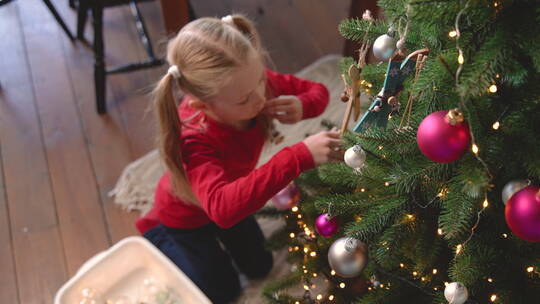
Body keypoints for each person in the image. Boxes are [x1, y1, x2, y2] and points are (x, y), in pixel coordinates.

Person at [136, 14, 342, 303]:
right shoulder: (193, 138)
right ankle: (158, 237)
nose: (260, 97)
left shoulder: (246, 83)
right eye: (244, 100)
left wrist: (301, 105)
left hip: (229, 192)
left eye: (260, 80)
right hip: (187, 219)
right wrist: (298, 156)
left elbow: (317, 92)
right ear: (202, 105)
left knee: (261, 266)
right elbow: (222, 208)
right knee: (222, 293)